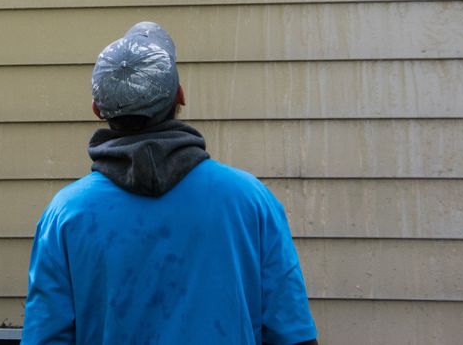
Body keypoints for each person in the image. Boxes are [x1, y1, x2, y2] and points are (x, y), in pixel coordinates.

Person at [21, 22, 318, 345]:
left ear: (97, 109)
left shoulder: (65, 214)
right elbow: (293, 335)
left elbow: (46, 337)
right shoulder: (250, 200)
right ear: (180, 95)